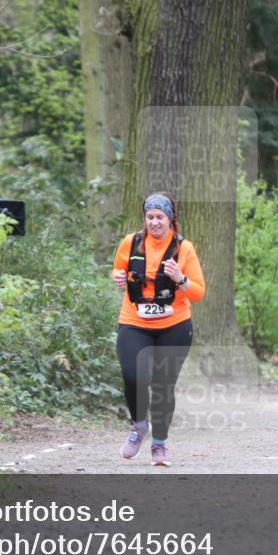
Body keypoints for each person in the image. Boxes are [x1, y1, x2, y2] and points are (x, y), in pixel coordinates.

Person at [112, 192, 205, 466]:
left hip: (174, 325)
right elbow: (118, 269)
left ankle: (160, 445)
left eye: (160, 217)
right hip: (134, 321)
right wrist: (117, 277)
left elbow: (198, 292)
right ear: (145, 218)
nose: (154, 222)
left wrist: (181, 278)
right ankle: (139, 426)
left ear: (170, 218)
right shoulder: (131, 243)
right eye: (150, 217)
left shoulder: (183, 248)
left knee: (163, 385)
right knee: (132, 375)